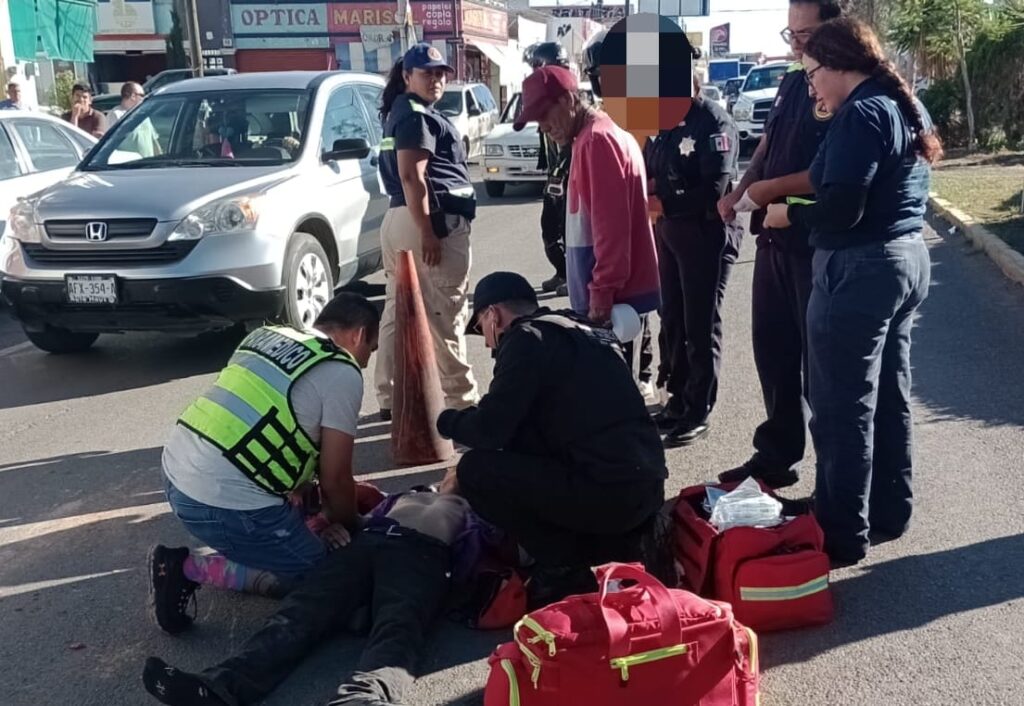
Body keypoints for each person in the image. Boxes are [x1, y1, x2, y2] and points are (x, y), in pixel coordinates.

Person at [762, 18, 940, 567]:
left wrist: (788, 212)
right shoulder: (900, 103)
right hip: (904, 260)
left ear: (841, 65)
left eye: (814, 72)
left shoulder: (862, 112)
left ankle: (839, 529)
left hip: (860, 266)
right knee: (887, 394)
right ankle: (888, 509)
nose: (810, 84)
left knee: (841, 407)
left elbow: (842, 205)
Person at [149, 293, 379, 634]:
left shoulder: (267, 337)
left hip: (175, 480)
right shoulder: (341, 371)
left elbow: (272, 425)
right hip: (223, 507)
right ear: (358, 335)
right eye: (369, 352)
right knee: (331, 577)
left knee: (296, 536)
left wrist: (311, 503)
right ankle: (186, 568)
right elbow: (335, 481)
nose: (364, 362)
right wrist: (351, 524)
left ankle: (266, 542)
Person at [438, 272, 667, 605]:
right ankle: (618, 544)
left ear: (494, 315)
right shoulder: (582, 328)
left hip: (607, 494)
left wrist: (445, 421)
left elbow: (489, 430)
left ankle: (562, 567)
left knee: (475, 469)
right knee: (526, 449)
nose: (489, 344)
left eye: (484, 330)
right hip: (645, 488)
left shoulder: (525, 339)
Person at [142, 487, 475, 706]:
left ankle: (362, 699)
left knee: (398, 626)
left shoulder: (476, 510)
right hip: (366, 545)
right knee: (301, 611)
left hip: (423, 556)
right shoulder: (394, 498)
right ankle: (218, 687)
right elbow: (343, 511)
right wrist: (332, 526)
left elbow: (495, 557)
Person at [717, 0, 843, 488]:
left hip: (814, 243)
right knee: (773, 351)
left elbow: (833, 173)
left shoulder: (844, 87)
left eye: (806, 35)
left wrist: (769, 191)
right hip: (771, 239)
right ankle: (776, 455)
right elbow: (767, 146)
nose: (797, 46)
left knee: (821, 369)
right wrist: (742, 188)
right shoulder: (795, 81)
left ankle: (835, 478)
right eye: (791, 35)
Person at [518, 62, 660, 391]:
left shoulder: (596, 140)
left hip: (614, 301)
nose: (542, 128)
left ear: (569, 100)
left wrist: (600, 296)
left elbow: (611, 230)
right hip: (612, 296)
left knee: (615, 399)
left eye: (544, 115)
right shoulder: (596, 135)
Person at [375, 43, 479, 421]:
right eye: (427, 73)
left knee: (398, 310)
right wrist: (429, 232)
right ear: (407, 76)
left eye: (440, 73)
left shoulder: (401, 112)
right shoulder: (416, 116)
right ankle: (463, 402)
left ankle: (390, 396)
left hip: (399, 220)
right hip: (427, 221)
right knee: (444, 309)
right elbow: (411, 176)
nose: (436, 79)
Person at [645, 64, 741, 448]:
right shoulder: (665, 123)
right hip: (670, 232)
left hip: (705, 233)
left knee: (700, 324)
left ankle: (698, 407)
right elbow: (655, 167)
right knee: (672, 317)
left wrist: (662, 201)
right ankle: (679, 398)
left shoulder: (714, 124)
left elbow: (714, 188)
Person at [523, 41, 571, 296]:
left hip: (571, 176)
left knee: (571, 231)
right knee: (550, 229)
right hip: (555, 176)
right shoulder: (541, 97)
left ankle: (573, 277)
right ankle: (562, 271)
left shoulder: (565, 100)